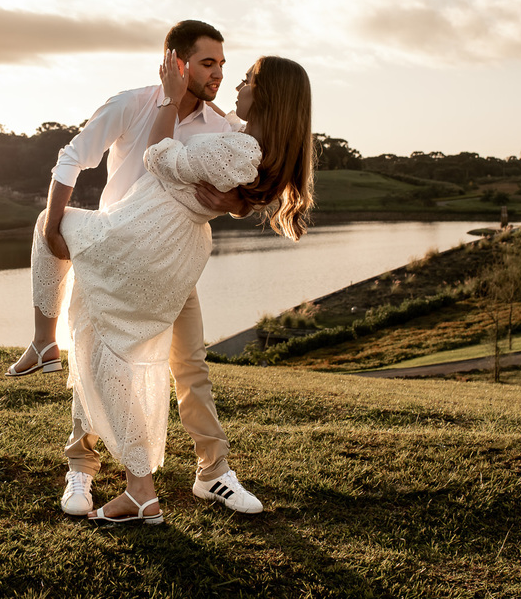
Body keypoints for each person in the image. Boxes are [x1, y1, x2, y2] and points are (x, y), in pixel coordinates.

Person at [19, 38, 315, 523]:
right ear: (178, 63)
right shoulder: (133, 103)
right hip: (125, 243)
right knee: (100, 351)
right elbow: (72, 157)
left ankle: (206, 473)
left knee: (174, 362)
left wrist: (238, 201)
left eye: (228, 67)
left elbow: (241, 168)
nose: (222, 76)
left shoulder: (226, 128)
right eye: (209, 63)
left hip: (165, 256)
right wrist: (54, 224)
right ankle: (84, 466)